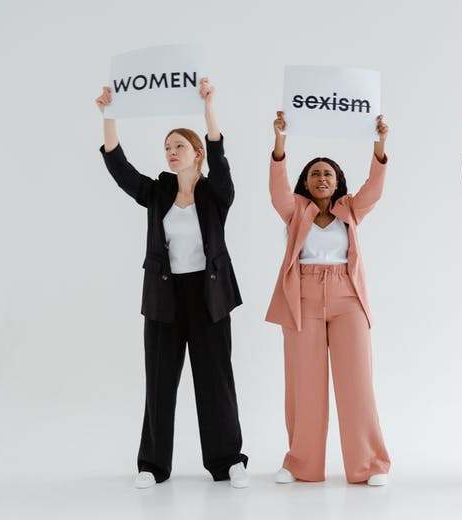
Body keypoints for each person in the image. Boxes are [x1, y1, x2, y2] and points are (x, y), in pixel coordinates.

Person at [95, 79, 249, 490]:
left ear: (195, 153)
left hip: (208, 297)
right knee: (160, 381)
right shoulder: (160, 191)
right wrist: (108, 116)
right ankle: (152, 465)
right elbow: (120, 169)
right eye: (167, 147)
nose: (170, 152)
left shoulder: (217, 193)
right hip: (165, 298)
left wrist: (209, 108)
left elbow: (220, 157)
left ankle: (228, 461)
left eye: (178, 146)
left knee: (215, 381)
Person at [265, 110, 392, 486]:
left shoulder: (351, 209)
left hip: (346, 299)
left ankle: (369, 465)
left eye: (328, 173)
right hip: (301, 298)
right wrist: (280, 143)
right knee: (304, 384)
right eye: (315, 173)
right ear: (305, 182)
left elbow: (375, 187)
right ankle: (301, 463)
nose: (322, 178)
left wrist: (380, 145)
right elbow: (277, 189)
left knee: (357, 383)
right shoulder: (295, 211)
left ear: (337, 182)